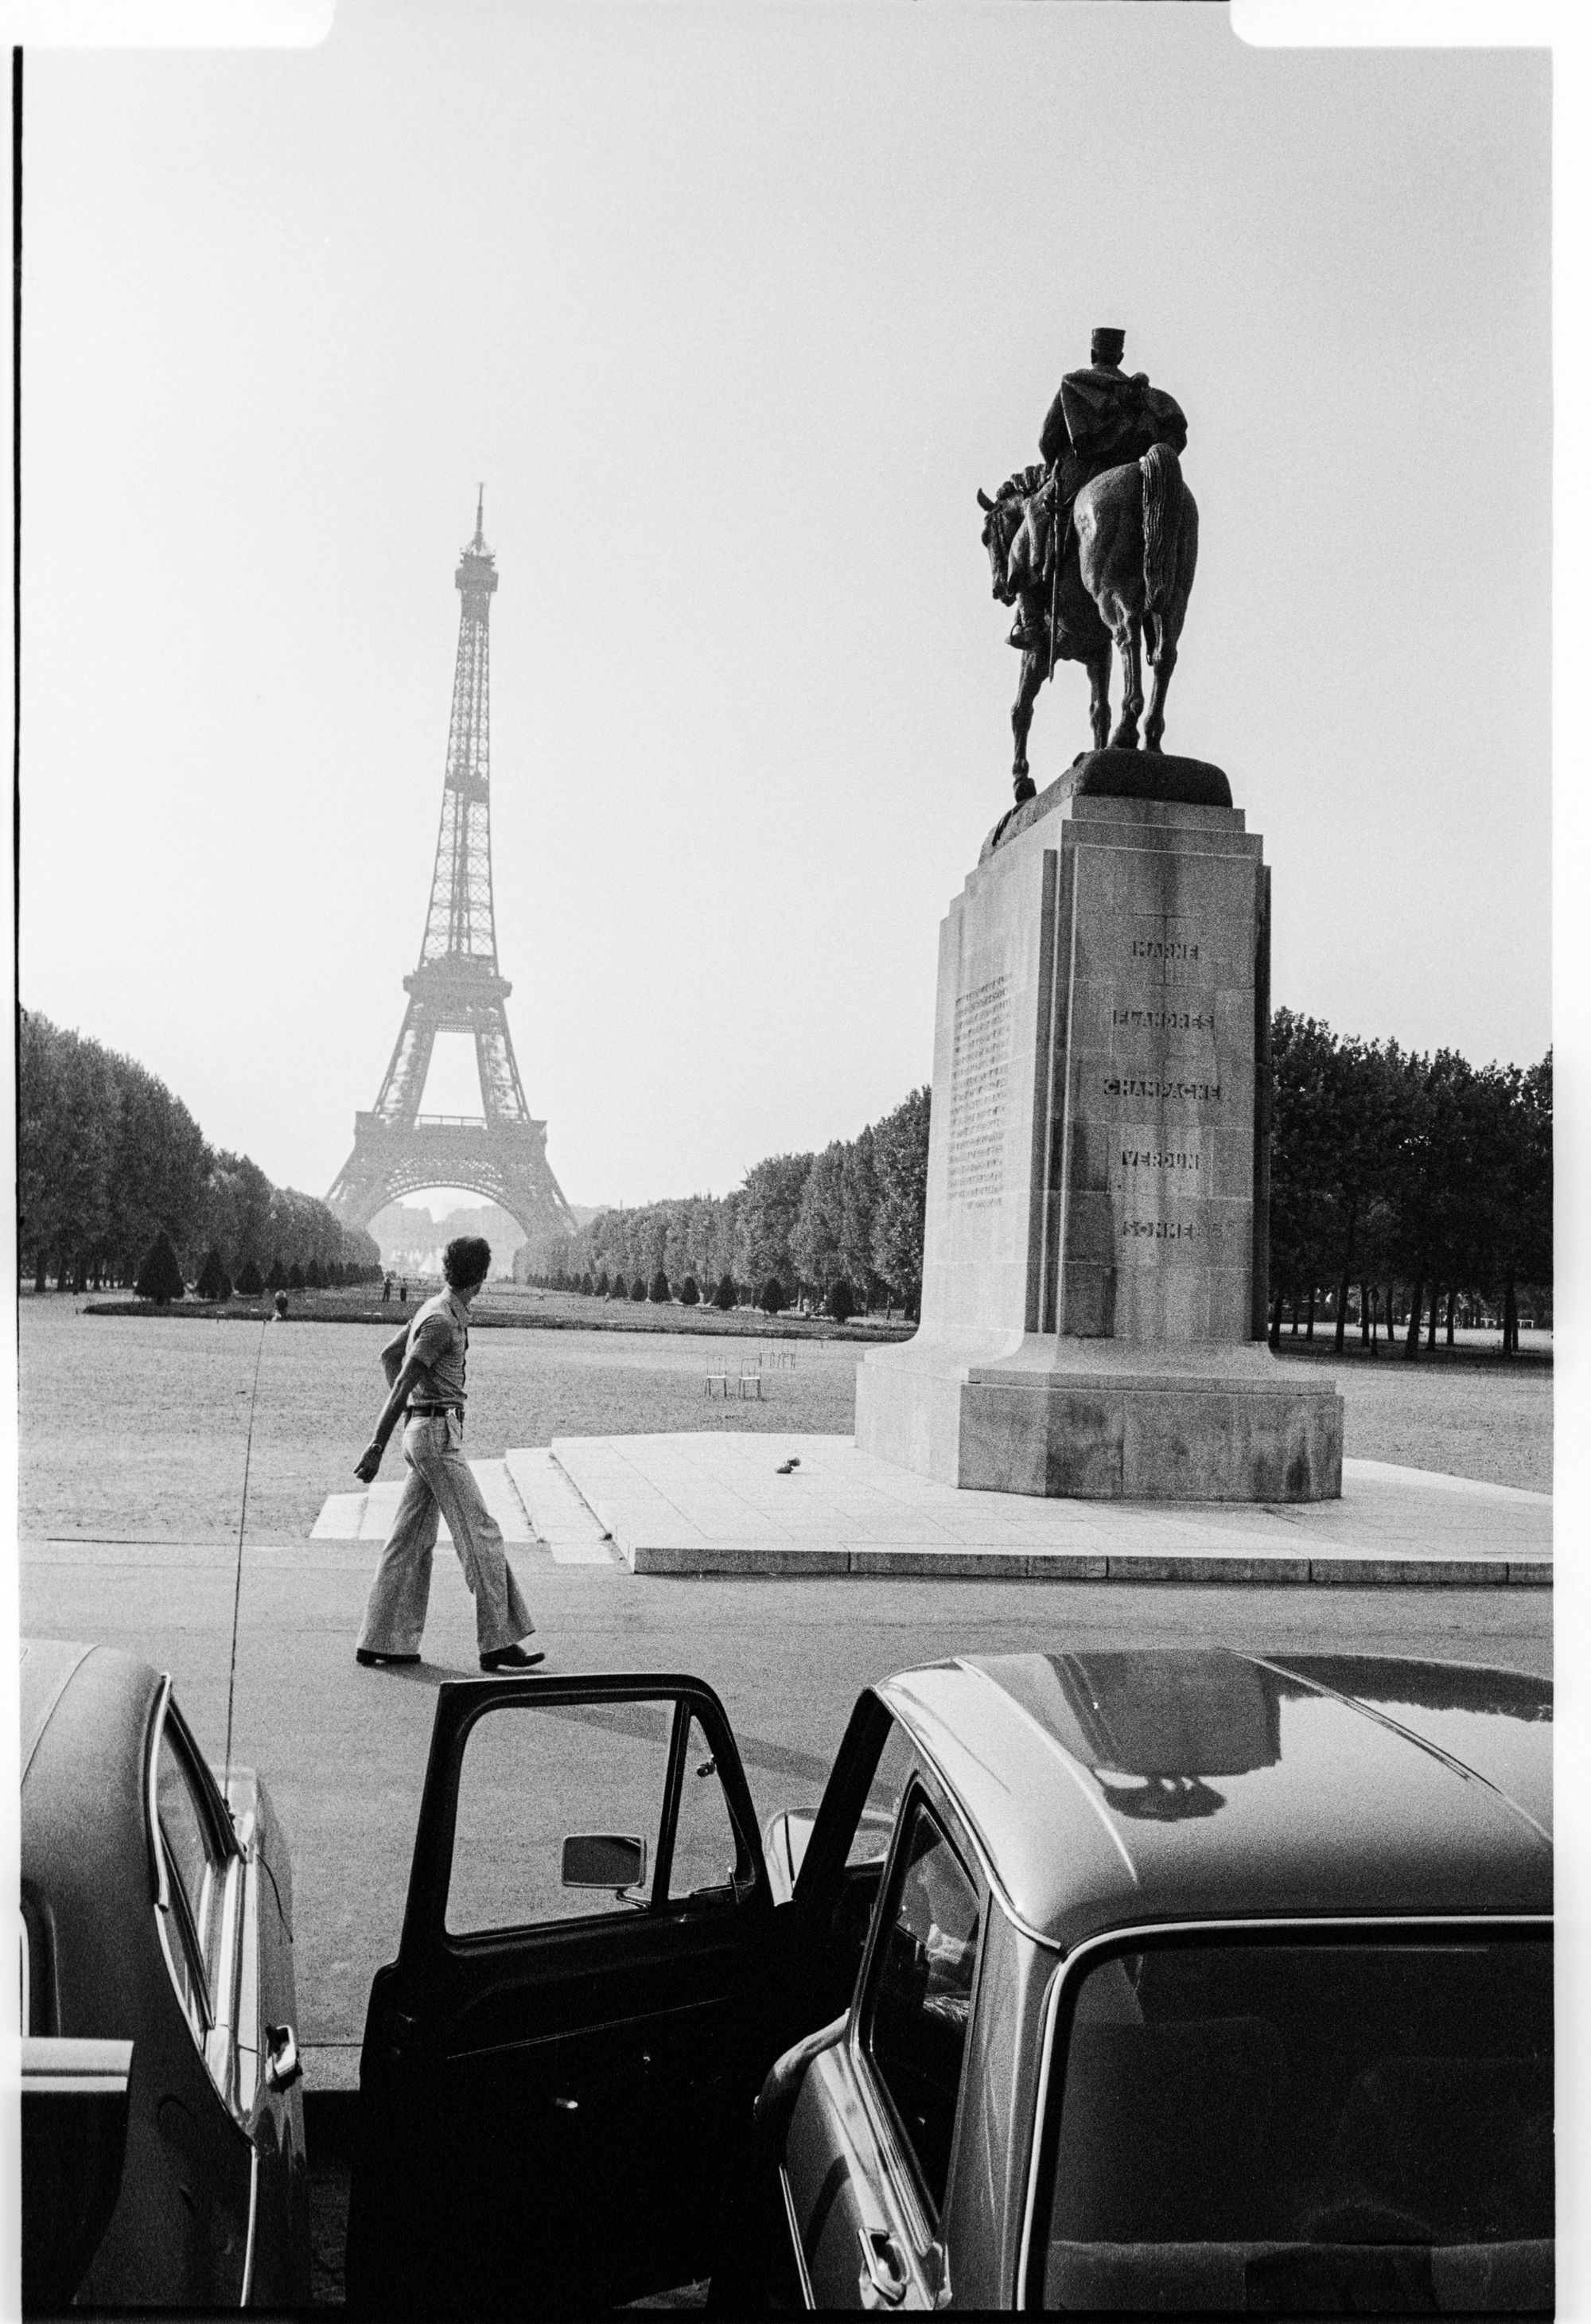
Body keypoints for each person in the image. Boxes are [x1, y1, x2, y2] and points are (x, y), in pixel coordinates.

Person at [352, 1233, 543, 1673]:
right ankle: (497, 1640)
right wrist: (379, 1443)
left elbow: (389, 1356)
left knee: (409, 1541)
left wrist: (412, 1417)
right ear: (480, 1276)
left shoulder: (432, 1309)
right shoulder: (442, 1321)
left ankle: (382, 1639)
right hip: (437, 1435)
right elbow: (401, 1378)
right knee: (481, 1533)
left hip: (425, 1430)